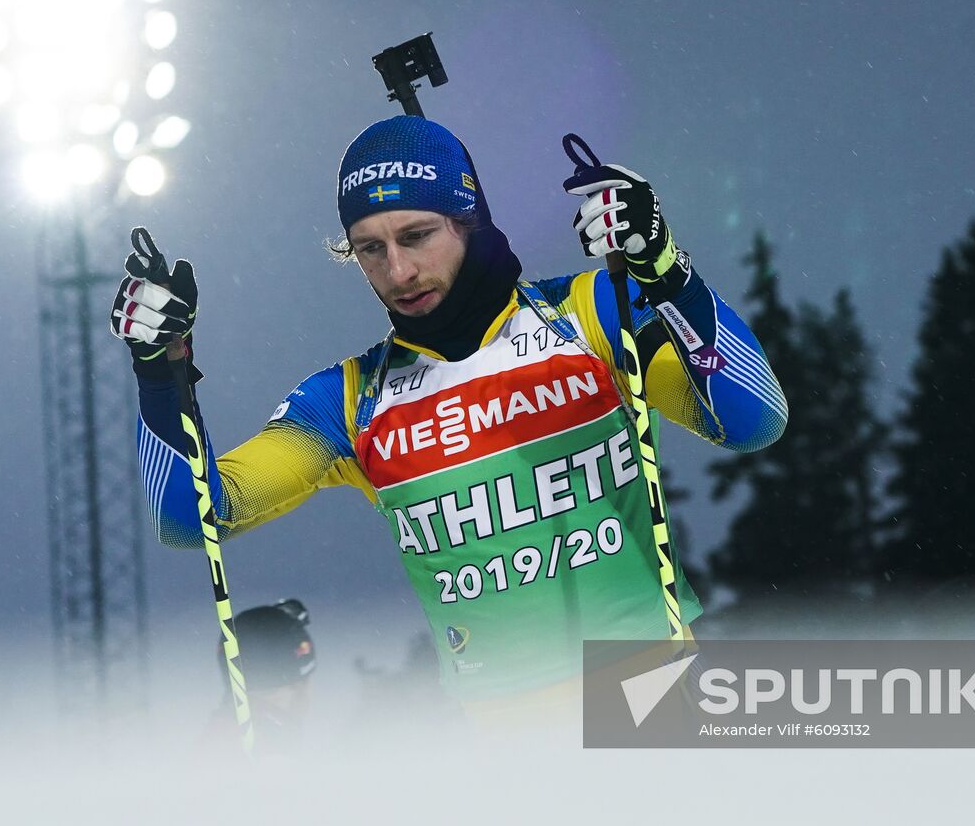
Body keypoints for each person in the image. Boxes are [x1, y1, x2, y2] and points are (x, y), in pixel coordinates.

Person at [112, 115, 787, 713]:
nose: (398, 271)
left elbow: (754, 418)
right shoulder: (348, 400)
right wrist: (157, 371)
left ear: (470, 221)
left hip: (653, 706)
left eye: (417, 234)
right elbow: (188, 517)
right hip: (502, 757)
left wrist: (667, 272)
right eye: (370, 248)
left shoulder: (590, 315)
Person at [204, 599, 315, 751]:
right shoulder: (232, 750)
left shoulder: (279, 738)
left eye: (305, 683)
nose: (305, 697)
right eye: (305, 681)